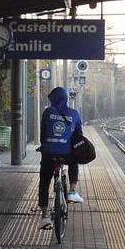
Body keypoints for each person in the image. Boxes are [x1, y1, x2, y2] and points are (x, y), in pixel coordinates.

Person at [38, 86, 83, 230]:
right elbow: (79, 136)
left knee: (44, 181)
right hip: (67, 154)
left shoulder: (47, 112)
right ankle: (72, 192)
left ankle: (45, 216)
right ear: (65, 99)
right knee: (74, 161)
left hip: (49, 153)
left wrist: (45, 145)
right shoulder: (74, 113)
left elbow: (43, 135)